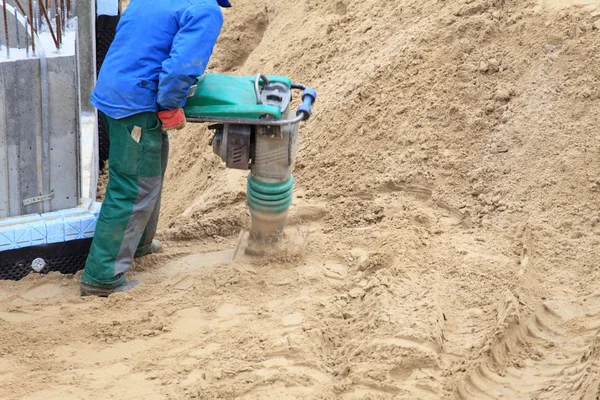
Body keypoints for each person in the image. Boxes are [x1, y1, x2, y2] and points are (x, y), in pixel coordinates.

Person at [81, 0, 231, 297]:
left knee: (148, 173)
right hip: (138, 101)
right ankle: (102, 277)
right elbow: (180, 69)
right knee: (132, 187)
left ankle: (139, 244)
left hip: (115, 90)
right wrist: (170, 105)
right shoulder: (203, 10)